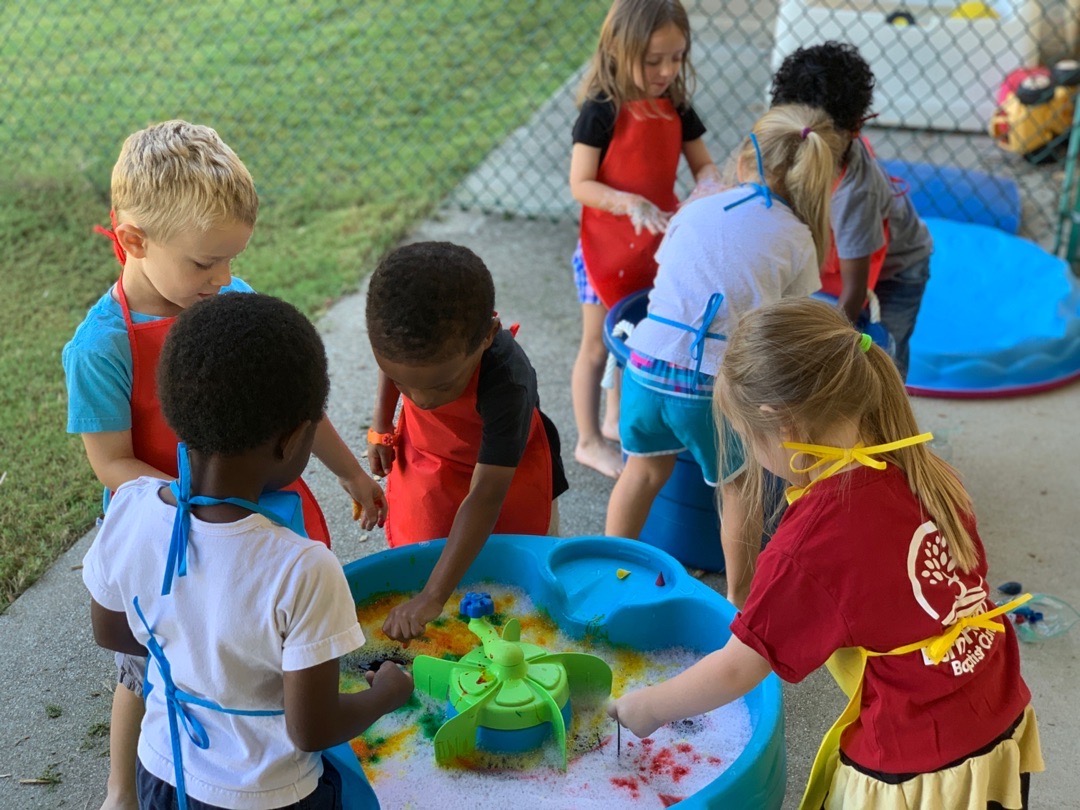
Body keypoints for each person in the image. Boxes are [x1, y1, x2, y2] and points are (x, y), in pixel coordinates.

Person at [62, 120, 386, 810]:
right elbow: (111, 463)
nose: (225, 279)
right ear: (134, 242)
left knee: (271, 651)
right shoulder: (101, 347)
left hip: (257, 511)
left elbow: (295, 405)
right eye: (205, 263)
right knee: (145, 674)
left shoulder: (230, 305)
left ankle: (281, 746)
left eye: (232, 260)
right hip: (169, 537)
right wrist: (197, 505)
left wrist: (352, 473)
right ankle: (123, 790)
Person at [609, 298, 1043, 809]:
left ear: (783, 426)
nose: (757, 458)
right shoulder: (920, 464)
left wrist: (647, 706)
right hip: (1000, 720)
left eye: (752, 440)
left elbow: (736, 669)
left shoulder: (814, 542)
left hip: (920, 770)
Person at [83, 293, 413, 810]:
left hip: (164, 769)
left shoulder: (130, 508)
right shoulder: (303, 568)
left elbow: (112, 631)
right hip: (269, 793)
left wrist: (197, 653)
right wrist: (388, 692)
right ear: (292, 440)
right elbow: (313, 728)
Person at [605, 105, 844, 609]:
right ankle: (741, 602)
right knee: (737, 488)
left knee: (642, 472)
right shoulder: (799, 238)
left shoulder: (696, 208)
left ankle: (607, 575)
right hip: (714, 386)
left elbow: (667, 279)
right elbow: (790, 322)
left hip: (644, 367)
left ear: (743, 162)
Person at [365, 241, 569, 642]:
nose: (420, 399)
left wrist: (432, 597)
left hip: (506, 472)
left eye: (440, 385)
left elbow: (486, 496)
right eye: (406, 383)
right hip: (433, 453)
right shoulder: (408, 345)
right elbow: (394, 369)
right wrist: (381, 427)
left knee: (520, 573)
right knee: (424, 549)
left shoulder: (508, 381)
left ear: (488, 336)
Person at [569, 0, 722, 478]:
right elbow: (581, 183)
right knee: (598, 344)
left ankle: (616, 419)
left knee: (638, 336)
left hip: (659, 245)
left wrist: (710, 190)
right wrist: (628, 202)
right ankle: (588, 439)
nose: (667, 70)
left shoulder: (674, 102)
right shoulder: (602, 109)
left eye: (676, 58)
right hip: (606, 247)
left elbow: (705, 168)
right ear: (619, 50)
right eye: (654, 60)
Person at [771, 41, 934, 380]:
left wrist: (821, 352)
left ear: (854, 131)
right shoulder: (788, 146)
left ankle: (890, 427)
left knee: (881, 359)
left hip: (898, 273)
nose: (801, 148)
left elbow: (855, 292)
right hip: (844, 253)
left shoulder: (853, 194)